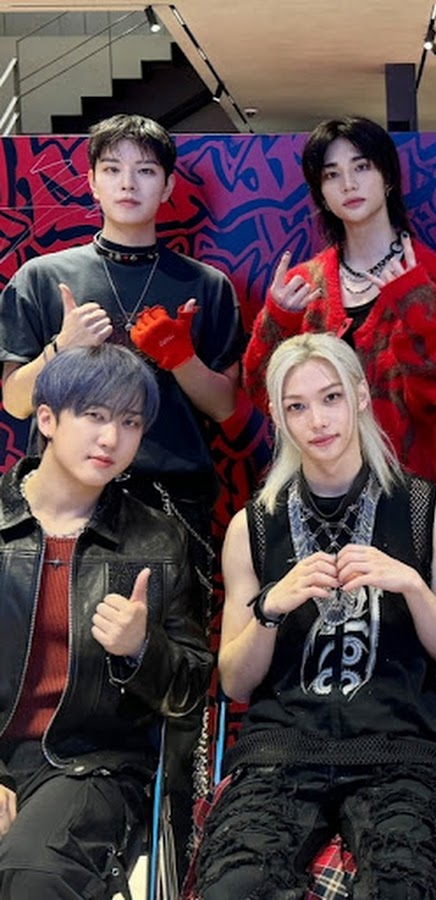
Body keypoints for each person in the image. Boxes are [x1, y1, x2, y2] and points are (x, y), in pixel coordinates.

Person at [0, 112, 245, 870]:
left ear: (169, 187)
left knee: (164, 681)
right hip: (58, 509)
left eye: (146, 170)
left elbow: (227, 407)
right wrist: (62, 349)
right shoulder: (44, 277)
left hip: (167, 517)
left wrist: (179, 358)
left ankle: (166, 841)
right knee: (40, 661)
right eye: (113, 169)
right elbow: (15, 400)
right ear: (91, 180)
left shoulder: (205, 285)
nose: (128, 183)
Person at [193, 332, 436, 898]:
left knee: (400, 888)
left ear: (360, 396)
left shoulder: (423, 507)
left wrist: (412, 585)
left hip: (403, 748)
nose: (318, 421)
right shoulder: (254, 524)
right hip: (282, 753)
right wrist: (270, 607)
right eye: (297, 407)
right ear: (279, 417)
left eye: (331, 398)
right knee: (234, 887)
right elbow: (236, 682)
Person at [0, 344, 211, 899]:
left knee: (32, 874)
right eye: (94, 415)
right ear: (48, 419)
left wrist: (142, 648)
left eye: (130, 422)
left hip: (94, 767)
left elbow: (191, 693)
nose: (111, 438)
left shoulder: (157, 539)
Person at [242, 116, 436, 503]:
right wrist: (279, 320)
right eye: (331, 174)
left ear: (387, 177)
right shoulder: (303, 283)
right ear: (321, 193)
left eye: (361, 167)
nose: (348, 184)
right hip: (322, 492)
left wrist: (414, 306)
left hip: (412, 493)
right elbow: (262, 395)